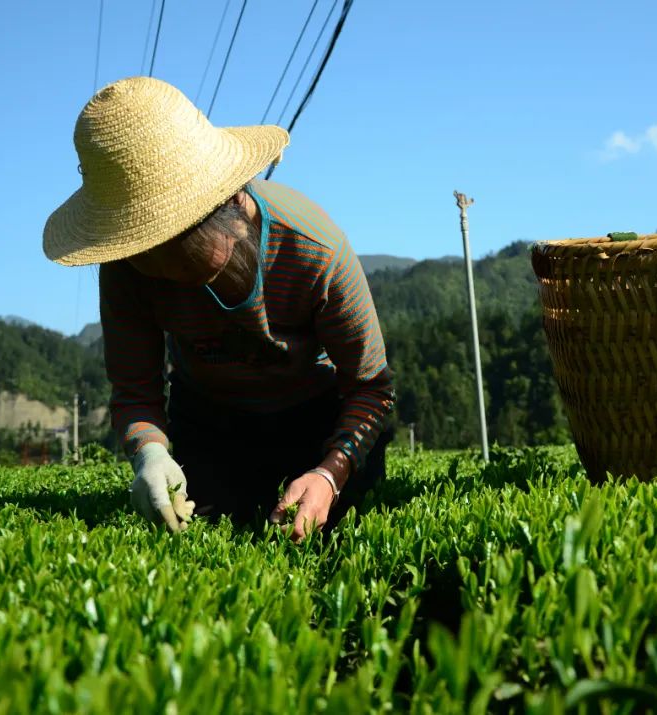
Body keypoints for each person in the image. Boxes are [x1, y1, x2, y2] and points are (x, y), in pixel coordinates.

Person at [42, 76, 395, 541]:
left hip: (317, 413)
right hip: (211, 419)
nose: (162, 272)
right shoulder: (129, 267)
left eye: (181, 249)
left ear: (230, 199)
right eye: (142, 251)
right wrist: (151, 453)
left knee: (341, 528)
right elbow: (135, 389)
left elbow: (370, 388)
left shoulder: (314, 249)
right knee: (204, 526)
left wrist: (331, 474)